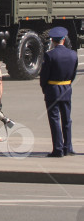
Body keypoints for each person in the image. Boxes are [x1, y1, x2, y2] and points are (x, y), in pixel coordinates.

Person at [40, 26, 77, 157]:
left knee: (54, 119)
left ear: (52, 40)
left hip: (52, 90)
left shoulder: (49, 55)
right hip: (66, 89)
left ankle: (58, 148)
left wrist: (45, 88)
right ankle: (68, 147)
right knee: (67, 119)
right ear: (63, 39)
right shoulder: (73, 54)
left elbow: (44, 76)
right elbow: (73, 75)